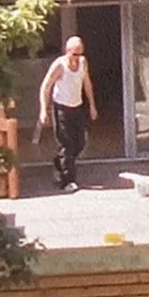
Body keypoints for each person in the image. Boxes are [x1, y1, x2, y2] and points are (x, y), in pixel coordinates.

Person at [39, 35, 96, 190]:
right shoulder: (60, 65)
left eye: (80, 54)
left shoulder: (83, 63)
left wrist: (92, 105)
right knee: (66, 144)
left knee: (80, 142)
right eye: (74, 54)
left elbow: (87, 83)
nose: (77, 58)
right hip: (61, 108)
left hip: (77, 106)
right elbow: (46, 86)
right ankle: (67, 181)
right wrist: (44, 110)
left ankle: (60, 163)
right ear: (67, 51)